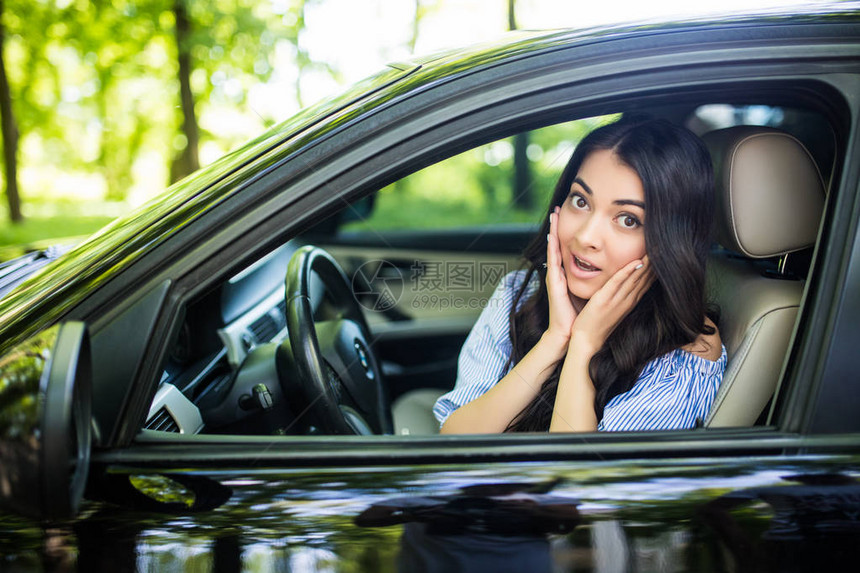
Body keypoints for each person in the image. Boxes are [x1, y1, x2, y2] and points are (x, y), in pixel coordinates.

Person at [434, 118, 726, 434]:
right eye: (581, 201)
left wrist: (584, 344)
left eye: (628, 220)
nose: (586, 236)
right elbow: (455, 439)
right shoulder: (519, 291)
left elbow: (576, 480)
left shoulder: (683, 354)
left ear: (670, 241)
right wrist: (555, 339)